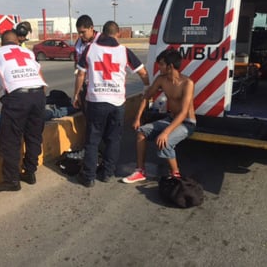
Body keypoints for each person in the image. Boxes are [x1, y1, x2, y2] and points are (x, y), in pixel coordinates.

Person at [73, 20, 149, 187]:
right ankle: (107, 173)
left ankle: (89, 177)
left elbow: (80, 75)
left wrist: (76, 94)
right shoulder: (124, 51)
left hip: (96, 101)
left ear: (103, 33)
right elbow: (143, 72)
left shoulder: (90, 49)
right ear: (118, 34)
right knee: (113, 139)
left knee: (92, 140)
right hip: (117, 103)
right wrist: (148, 87)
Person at [0, 30, 47, 192]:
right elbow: (40, 77)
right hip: (38, 94)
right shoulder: (28, 52)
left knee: (10, 139)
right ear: (17, 41)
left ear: (1, 42)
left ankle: (12, 180)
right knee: (34, 136)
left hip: (17, 98)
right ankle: (30, 173)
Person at [122, 49, 196, 184]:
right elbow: (146, 97)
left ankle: (176, 175)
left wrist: (165, 132)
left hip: (186, 123)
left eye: (161, 64)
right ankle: (140, 171)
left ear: (170, 66)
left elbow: (184, 112)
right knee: (141, 132)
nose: (158, 67)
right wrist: (138, 117)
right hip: (171, 119)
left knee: (165, 142)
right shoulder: (161, 80)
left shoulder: (187, 83)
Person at [74, 15, 101, 113]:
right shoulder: (79, 43)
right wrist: (78, 90)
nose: (80, 35)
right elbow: (77, 65)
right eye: (79, 32)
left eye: (83, 32)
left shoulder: (101, 41)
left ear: (91, 28)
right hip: (85, 86)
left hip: (99, 87)